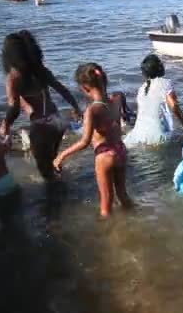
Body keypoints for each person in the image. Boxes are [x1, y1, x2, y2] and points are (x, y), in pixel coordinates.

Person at [0, 30, 82, 181]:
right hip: (57, 121)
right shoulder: (41, 71)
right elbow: (62, 89)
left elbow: (14, 109)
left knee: (45, 172)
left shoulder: (13, 78)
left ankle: (56, 198)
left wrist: (6, 125)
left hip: (40, 126)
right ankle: (62, 185)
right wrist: (76, 107)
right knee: (53, 161)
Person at [53, 63, 133, 217]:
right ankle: (134, 218)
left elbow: (84, 142)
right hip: (120, 150)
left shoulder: (92, 110)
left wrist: (61, 155)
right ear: (104, 79)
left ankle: (110, 236)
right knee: (122, 194)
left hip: (104, 155)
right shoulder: (117, 98)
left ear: (84, 88)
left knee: (106, 204)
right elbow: (122, 117)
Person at [123, 54, 183, 147]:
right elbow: (175, 107)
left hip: (137, 135)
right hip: (157, 137)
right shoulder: (166, 84)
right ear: (159, 68)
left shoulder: (141, 89)